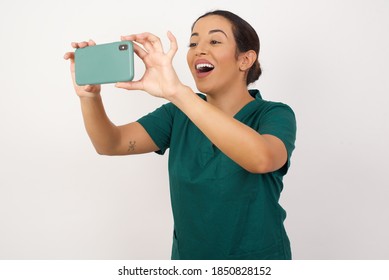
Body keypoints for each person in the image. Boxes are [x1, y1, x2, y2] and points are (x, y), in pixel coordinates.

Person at [64, 10, 296, 260]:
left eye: (214, 41)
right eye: (193, 43)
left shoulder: (274, 114)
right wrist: (89, 98)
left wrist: (178, 92)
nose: (199, 50)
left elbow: (261, 159)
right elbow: (111, 143)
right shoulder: (177, 115)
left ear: (245, 59)